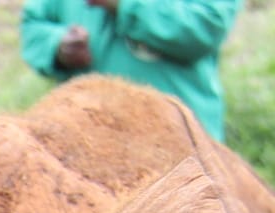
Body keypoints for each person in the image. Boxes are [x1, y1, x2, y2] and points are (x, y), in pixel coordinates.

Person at [20, 0, 238, 141]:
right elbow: (33, 25)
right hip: (84, 142)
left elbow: (207, 24)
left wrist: (127, 5)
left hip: (177, 143)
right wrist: (57, 45)